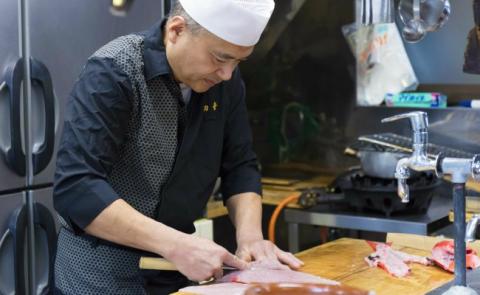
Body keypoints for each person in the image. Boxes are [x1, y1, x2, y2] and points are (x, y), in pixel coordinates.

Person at [53, 0, 303, 294]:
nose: (226, 73)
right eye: (220, 58)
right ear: (176, 30)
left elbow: (240, 165)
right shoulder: (115, 71)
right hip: (98, 278)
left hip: (174, 276)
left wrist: (250, 238)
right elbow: (77, 187)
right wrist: (176, 244)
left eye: (238, 62)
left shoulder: (225, 82)